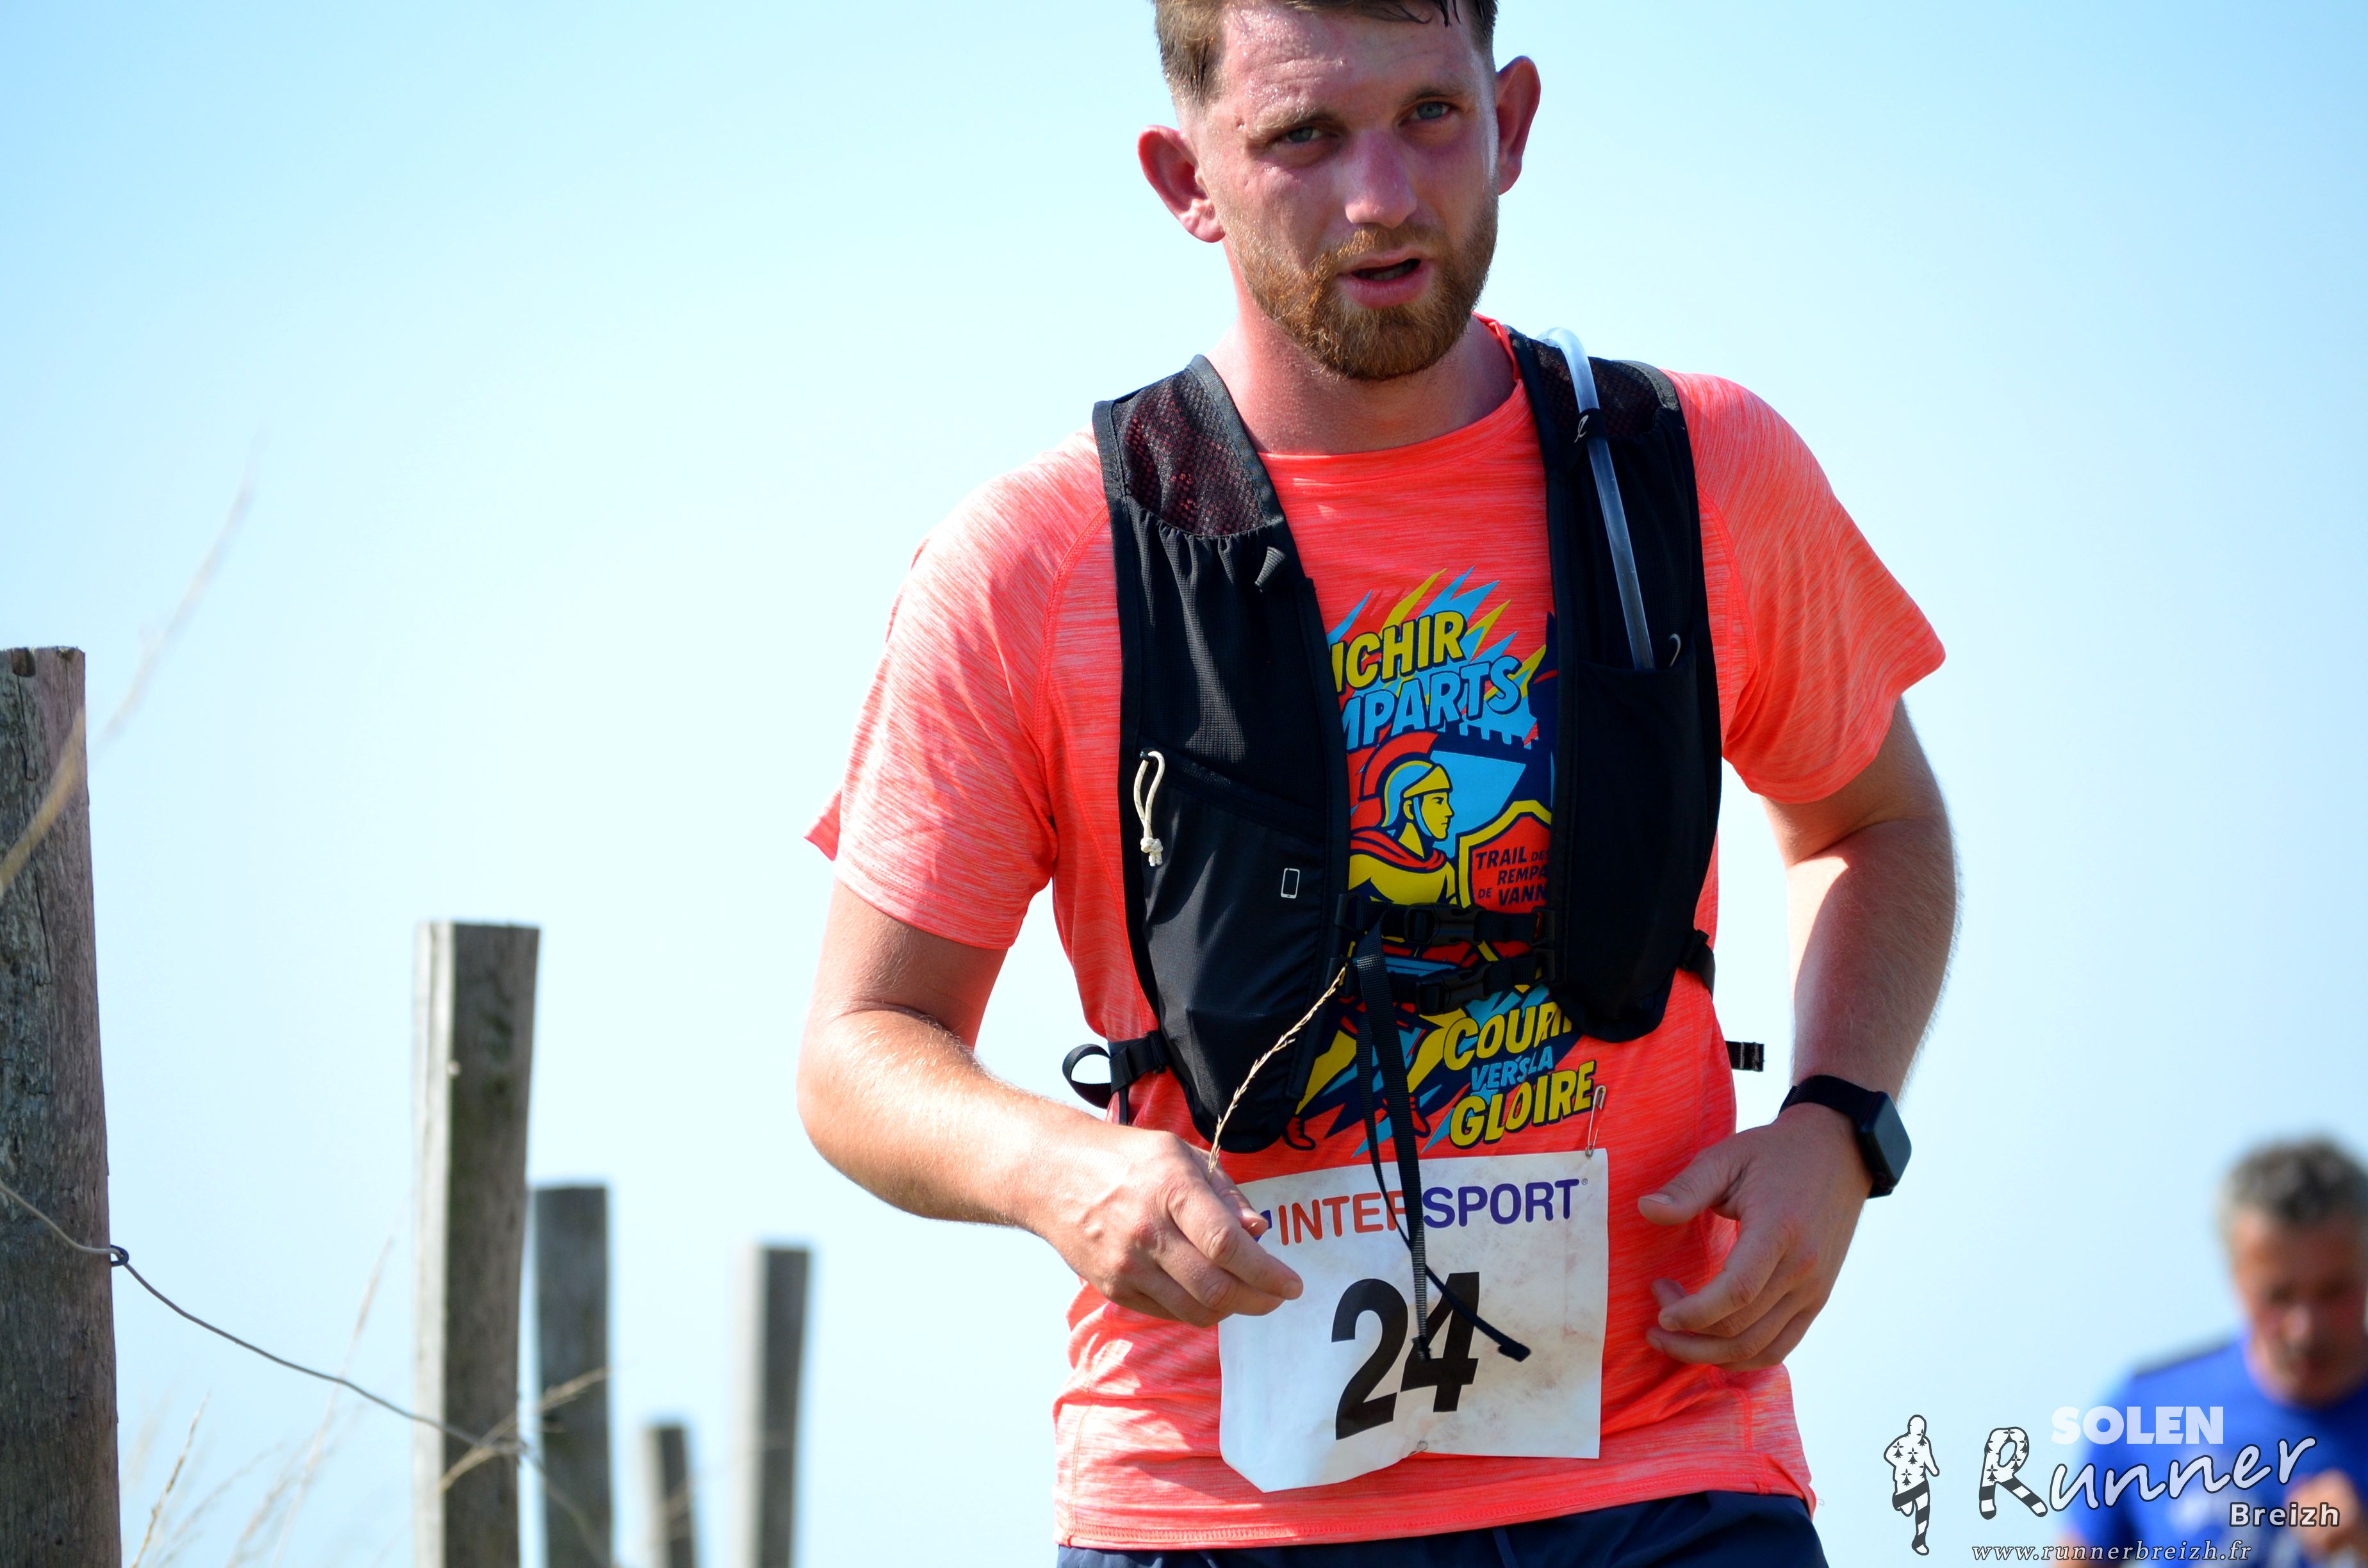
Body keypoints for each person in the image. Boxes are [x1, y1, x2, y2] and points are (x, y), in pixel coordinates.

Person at [799, 2, 1956, 1562]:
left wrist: (1838, 1124)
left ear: (1513, 120)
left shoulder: (1702, 469)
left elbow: (1875, 824)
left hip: (1674, 1472)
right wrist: (1056, 1169)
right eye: (1302, 136)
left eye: (1430, 115)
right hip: (1210, 1507)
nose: (1382, 198)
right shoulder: (1034, 560)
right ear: (1186, 178)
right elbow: (858, 1048)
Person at [2067, 1138, 2368, 1565]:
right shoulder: (2142, 1413)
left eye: (2334, 1292)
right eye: (2278, 1296)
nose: (2305, 1330)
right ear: (2237, 1279)